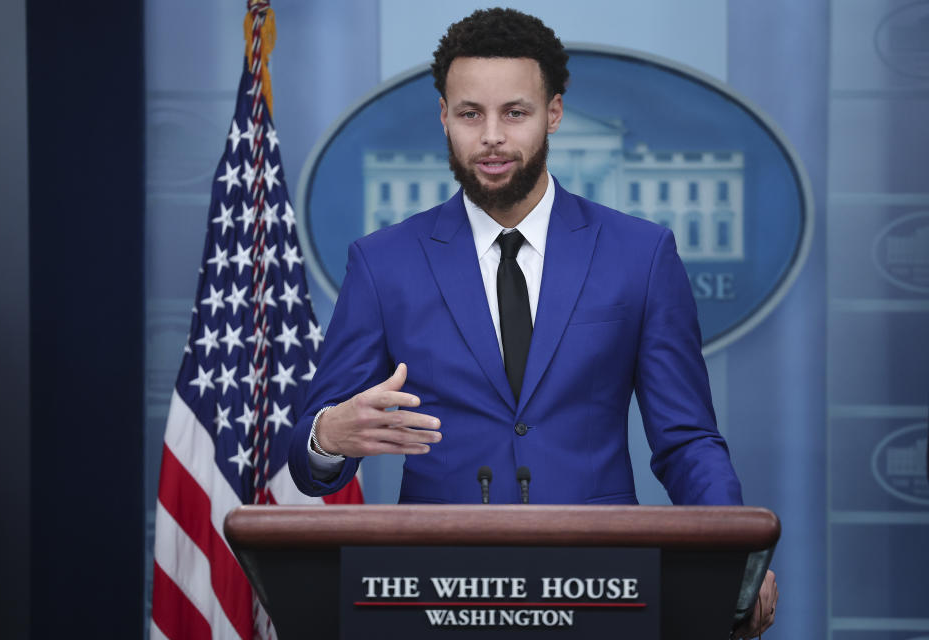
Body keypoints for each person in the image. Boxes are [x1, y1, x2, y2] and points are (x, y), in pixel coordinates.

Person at [287, 8, 776, 637]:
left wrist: (732, 549)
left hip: (603, 588)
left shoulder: (641, 255)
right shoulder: (382, 264)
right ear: (443, 116)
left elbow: (685, 440)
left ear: (554, 113)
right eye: (470, 114)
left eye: (514, 113)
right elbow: (308, 458)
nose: (491, 136)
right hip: (432, 591)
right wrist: (328, 434)